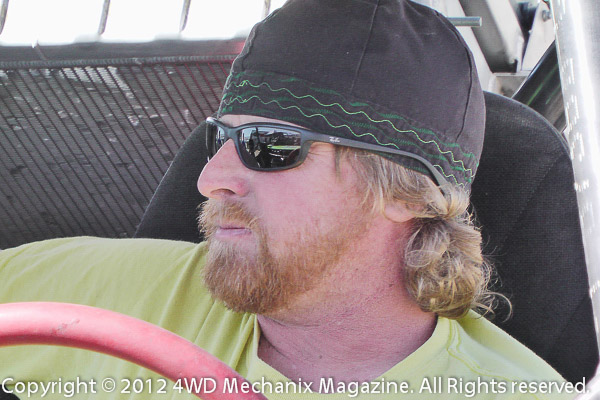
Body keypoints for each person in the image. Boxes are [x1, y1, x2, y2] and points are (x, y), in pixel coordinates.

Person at [0, 0, 576, 399]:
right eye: (218, 138)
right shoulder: (116, 294)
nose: (209, 178)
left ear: (407, 193)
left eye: (269, 145)